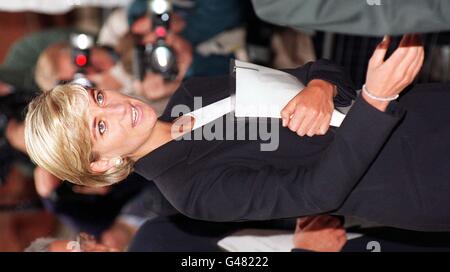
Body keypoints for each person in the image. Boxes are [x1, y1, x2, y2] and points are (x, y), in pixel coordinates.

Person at [25, 35, 450, 232]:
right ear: (103, 163)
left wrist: (320, 86)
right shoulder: (189, 192)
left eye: (98, 97)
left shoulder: (190, 92)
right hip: (418, 180)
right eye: (100, 126)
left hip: (420, 108)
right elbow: (320, 193)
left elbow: (312, 70)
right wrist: (374, 99)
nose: (117, 107)